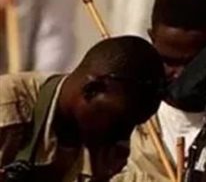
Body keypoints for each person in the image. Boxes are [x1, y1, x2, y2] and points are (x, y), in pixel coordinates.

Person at [0, 35, 165, 181]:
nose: (124, 136)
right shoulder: (7, 109)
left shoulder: (104, 147)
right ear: (92, 90)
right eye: (119, 123)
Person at [112, 0, 206, 182]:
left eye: (192, 64)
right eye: (168, 61)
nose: (179, 74)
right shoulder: (124, 122)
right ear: (152, 39)